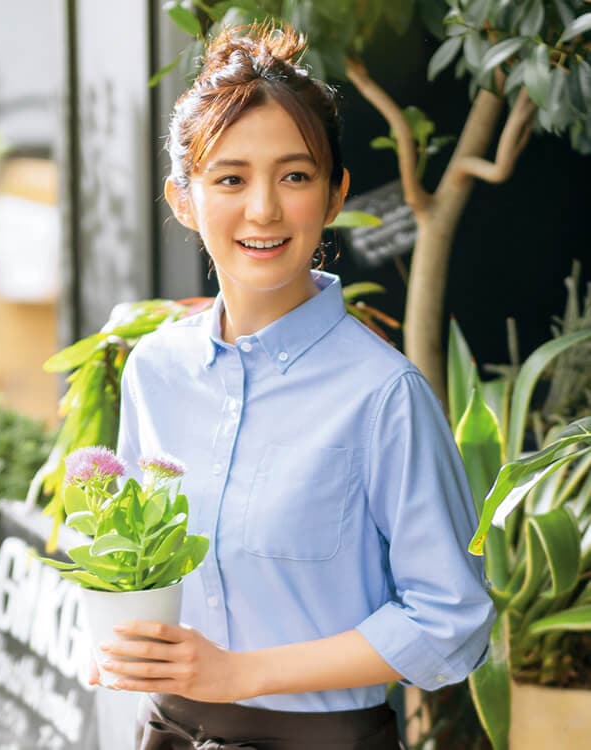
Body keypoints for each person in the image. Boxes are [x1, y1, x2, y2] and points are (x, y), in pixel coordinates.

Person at [88, 22, 496, 750]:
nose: (265, 209)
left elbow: (450, 620)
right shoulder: (155, 370)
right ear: (183, 200)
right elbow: (138, 565)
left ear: (335, 194)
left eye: (295, 175)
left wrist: (241, 673)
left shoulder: (384, 395)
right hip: (168, 732)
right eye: (231, 178)